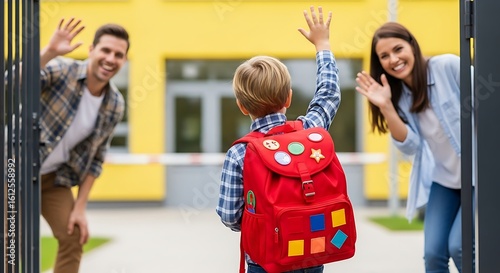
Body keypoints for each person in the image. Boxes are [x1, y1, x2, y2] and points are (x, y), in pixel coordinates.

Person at [216, 6, 340, 273]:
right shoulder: (310, 132)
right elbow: (329, 94)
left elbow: (229, 214)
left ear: (241, 106)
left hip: (265, 259)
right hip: (311, 252)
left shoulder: (240, 153)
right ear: (288, 98)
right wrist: (323, 45)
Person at [355, 22, 463, 273]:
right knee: (434, 254)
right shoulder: (399, 96)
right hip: (445, 181)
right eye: (384, 56)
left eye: (398, 49)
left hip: (479, 176)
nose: (393, 59)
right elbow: (411, 147)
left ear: (412, 45)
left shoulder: (447, 66)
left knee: (459, 247)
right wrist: (386, 107)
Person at [39, 18, 127, 273]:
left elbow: (97, 158)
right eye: (106, 50)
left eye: (118, 55)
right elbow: (13, 83)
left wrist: (80, 208)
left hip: (53, 180)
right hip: (14, 168)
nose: (111, 58)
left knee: (74, 236)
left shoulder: (114, 104)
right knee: (9, 240)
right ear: (91, 50)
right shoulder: (62, 69)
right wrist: (48, 52)